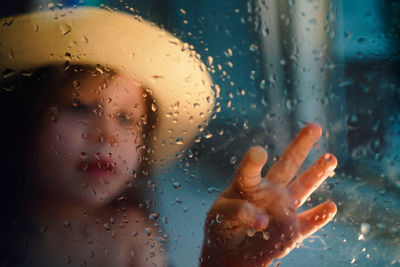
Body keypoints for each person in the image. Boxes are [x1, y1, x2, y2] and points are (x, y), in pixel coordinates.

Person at [0, 7, 337, 267]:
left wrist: (222, 261)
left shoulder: (133, 240)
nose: (107, 135)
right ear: (27, 117)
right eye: (79, 107)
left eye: (126, 118)